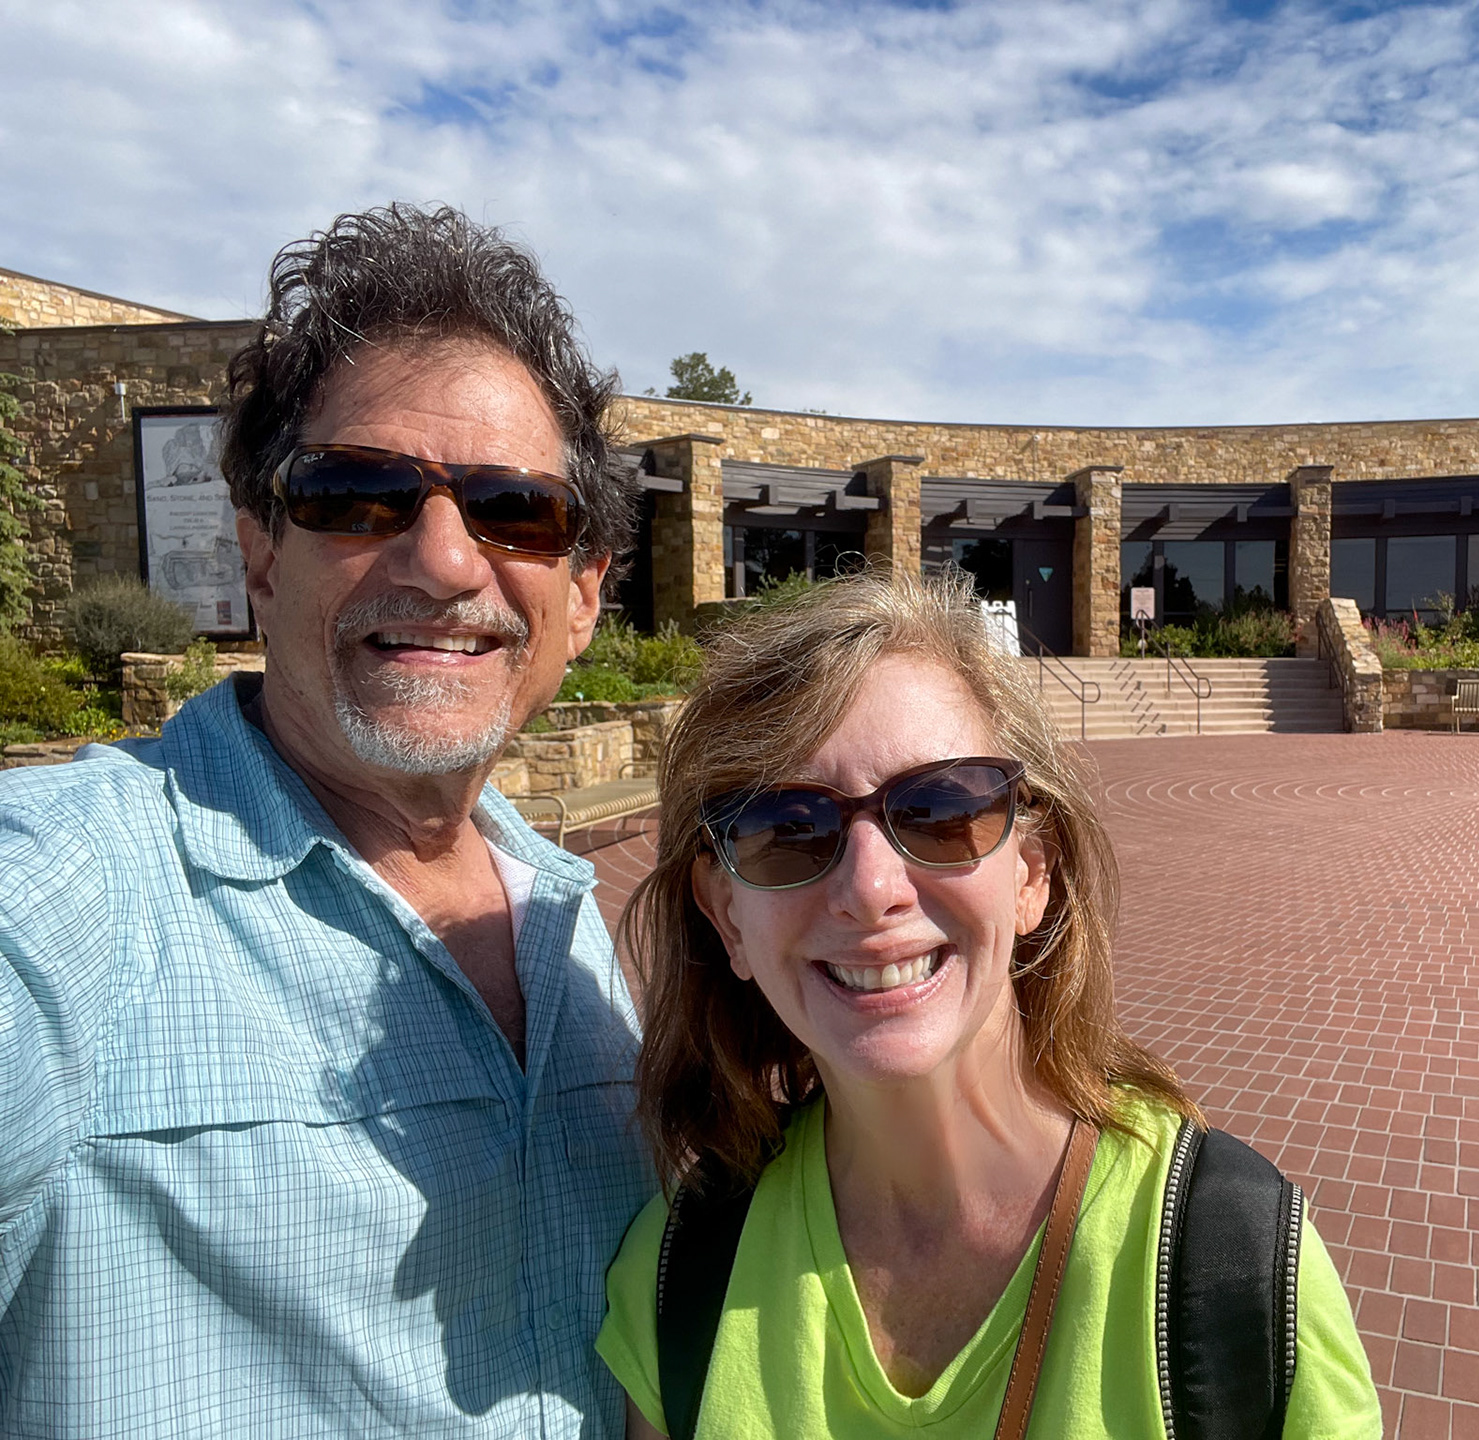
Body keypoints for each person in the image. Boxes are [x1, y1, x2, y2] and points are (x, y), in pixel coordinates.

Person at [0, 205, 654, 1438]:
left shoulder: (575, 931)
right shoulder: (67, 893)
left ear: (582, 596)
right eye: (359, 496)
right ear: (260, 553)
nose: (447, 560)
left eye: (517, 508)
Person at [596, 569, 1380, 1438]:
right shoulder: (679, 1273)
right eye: (787, 829)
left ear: (1031, 876)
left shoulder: (1228, 1267)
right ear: (726, 916)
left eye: (939, 810)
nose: (870, 889)